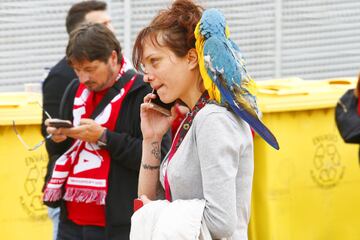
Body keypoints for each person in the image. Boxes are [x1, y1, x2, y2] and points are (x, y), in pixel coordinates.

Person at [132, 0, 254, 239]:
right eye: (144, 66)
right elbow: (147, 202)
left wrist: (156, 213)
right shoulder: (196, 116)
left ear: (191, 58)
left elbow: (220, 223)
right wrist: (152, 139)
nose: (147, 76)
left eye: (155, 61)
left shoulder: (213, 119)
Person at [43, 23, 171, 240]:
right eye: (77, 70)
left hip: (118, 224)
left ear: (113, 58)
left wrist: (104, 137)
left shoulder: (142, 91)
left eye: (90, 69)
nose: (83, 78)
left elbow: (159, 155)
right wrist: (58, 138)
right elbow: (58, 152)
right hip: (71, 219)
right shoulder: (74, 90)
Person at [41, 1, 114, 238]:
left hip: (110, 207)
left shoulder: (127, 82)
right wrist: (61, 134)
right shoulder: (62, 78)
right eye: (102, 25)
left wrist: (103, 136)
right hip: (71, 201)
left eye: (109, 22)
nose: (109, 29)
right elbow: (53, 144)